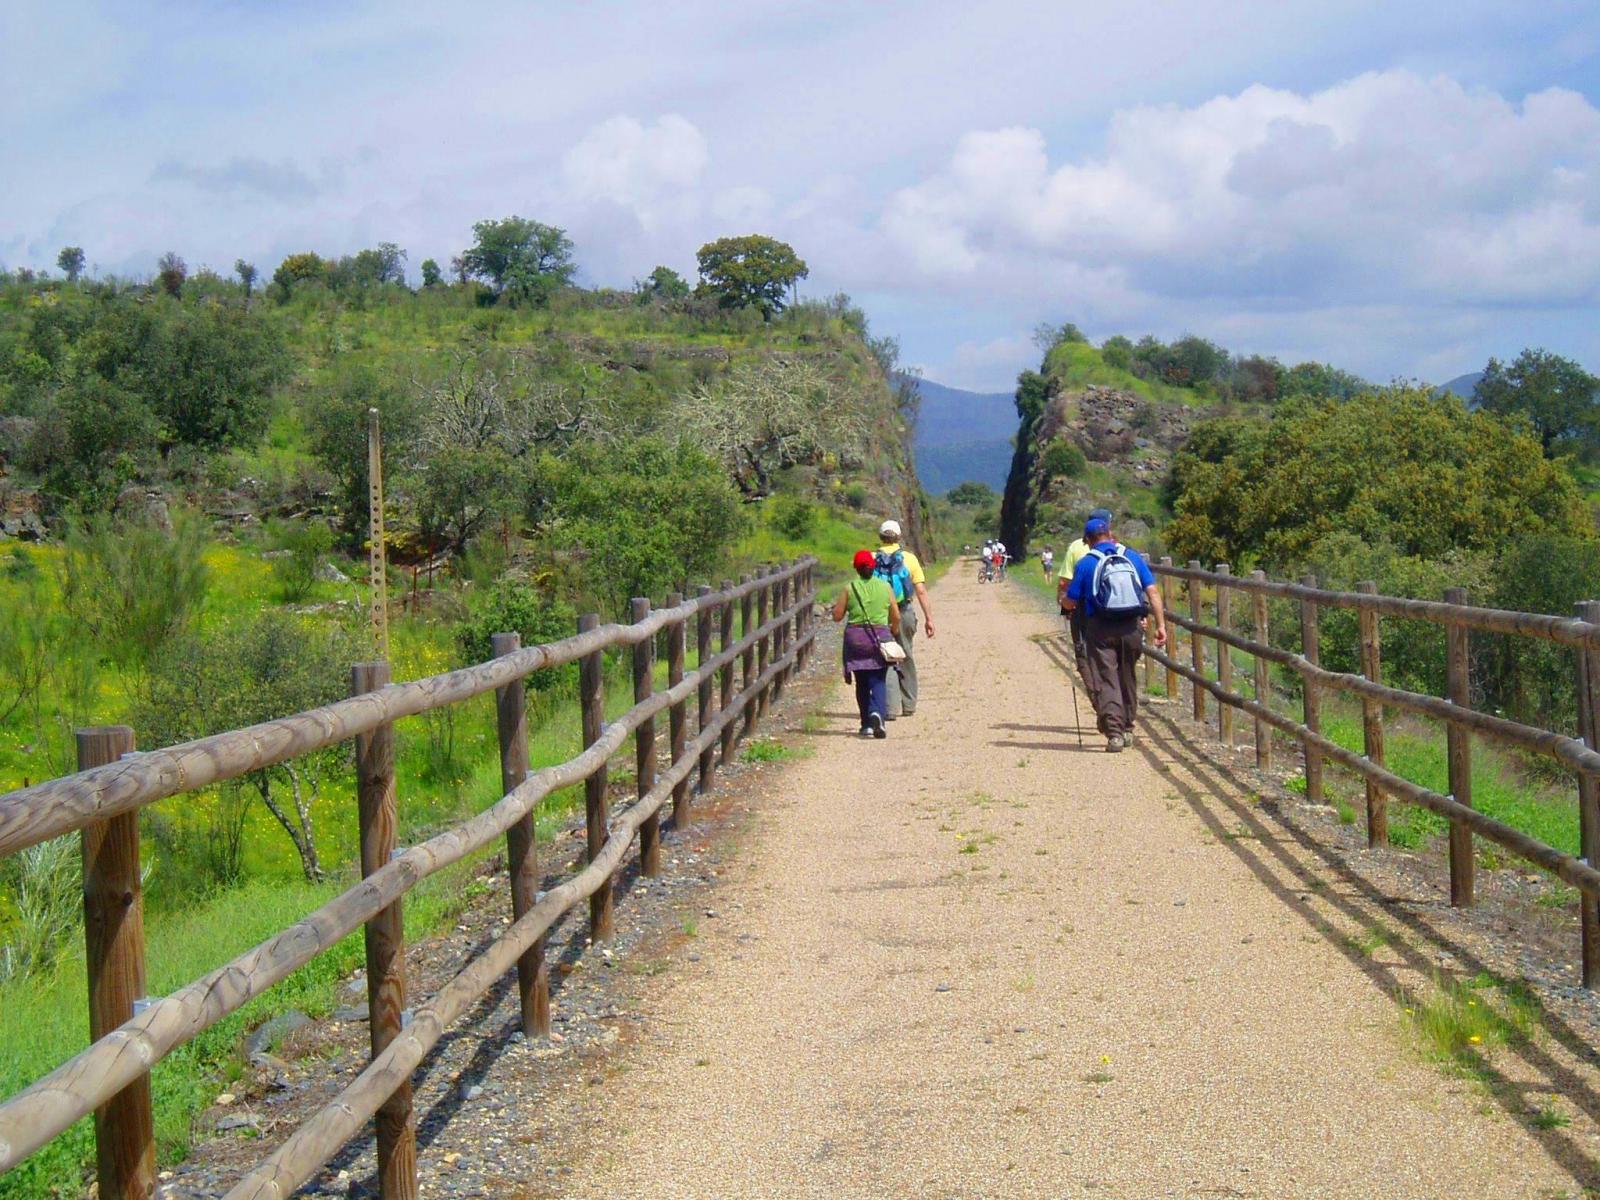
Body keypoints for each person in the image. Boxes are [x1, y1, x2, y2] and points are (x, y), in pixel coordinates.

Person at [1063, 516, 1168, 752]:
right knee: (1127, 675)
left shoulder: (1086, 563)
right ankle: (1128, 727)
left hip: (1101, 629)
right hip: (1132, 627)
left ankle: (1115, 734)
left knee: (1107, 679)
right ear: (1110, 534)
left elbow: (1071, 601)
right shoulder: (1132, 558)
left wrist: (1063, 602)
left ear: (1088, 540)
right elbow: (1152, 592)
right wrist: (1161, 625)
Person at [832, 548, 901, 738]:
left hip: (856, 639)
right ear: (873, 567)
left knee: (861, 682)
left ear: (856, 569)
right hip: (879, 636)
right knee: (878, 679)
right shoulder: (885, 587)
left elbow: (837, 616)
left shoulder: (849, 588)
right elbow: (896, 615)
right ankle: (877, 713)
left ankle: (866, 725)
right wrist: (893, 630)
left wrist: (837, 610)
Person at [875, 519, 935, 719]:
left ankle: (890, 708)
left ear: (880, 537)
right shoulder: (909, 558)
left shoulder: (872, 557)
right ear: (899, 537)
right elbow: (920, 591)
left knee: (886, 657)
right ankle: (908, 704)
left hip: (880, 614)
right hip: (904, 612)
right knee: (906, 655)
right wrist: (929, 619)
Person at [1057, 508, 1113, 711]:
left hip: (1083, 611)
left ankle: (1100, 703)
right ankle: (1117, 707)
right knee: (1111, 658)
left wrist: (1063, 604)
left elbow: (1065, 581)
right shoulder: (1120, 548)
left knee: (1084, 657)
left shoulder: (1075, 547)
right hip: (1113, 613)